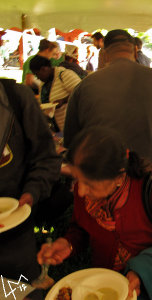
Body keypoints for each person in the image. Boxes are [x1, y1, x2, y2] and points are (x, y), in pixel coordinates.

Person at [37, 127, 152, 299]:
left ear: (119, 176)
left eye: (90, 183)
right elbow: (80, 229)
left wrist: (143, 271)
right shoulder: (83, 194)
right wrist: (68, 244)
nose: (81, 191)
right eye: (78, 179)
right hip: (103, 285)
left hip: (149, 288)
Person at [64, 29, 152, 186]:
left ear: (105, 54)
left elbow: (71, 141)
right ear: (136, 52)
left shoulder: (84, 86)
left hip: (104, 185)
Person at [0, 78, 61, 300]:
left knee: (22, 293)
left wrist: (33, 191)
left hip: (15, 235)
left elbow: (46, 158)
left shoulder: (15, 98)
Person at [29, 55, 81, 131]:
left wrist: (63, 100)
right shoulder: (43, 85)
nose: (37, 78)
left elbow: (81, 93)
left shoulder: (64, 75)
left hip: (73, 125)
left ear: (44, 69)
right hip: (58, 128)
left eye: (37, 74)